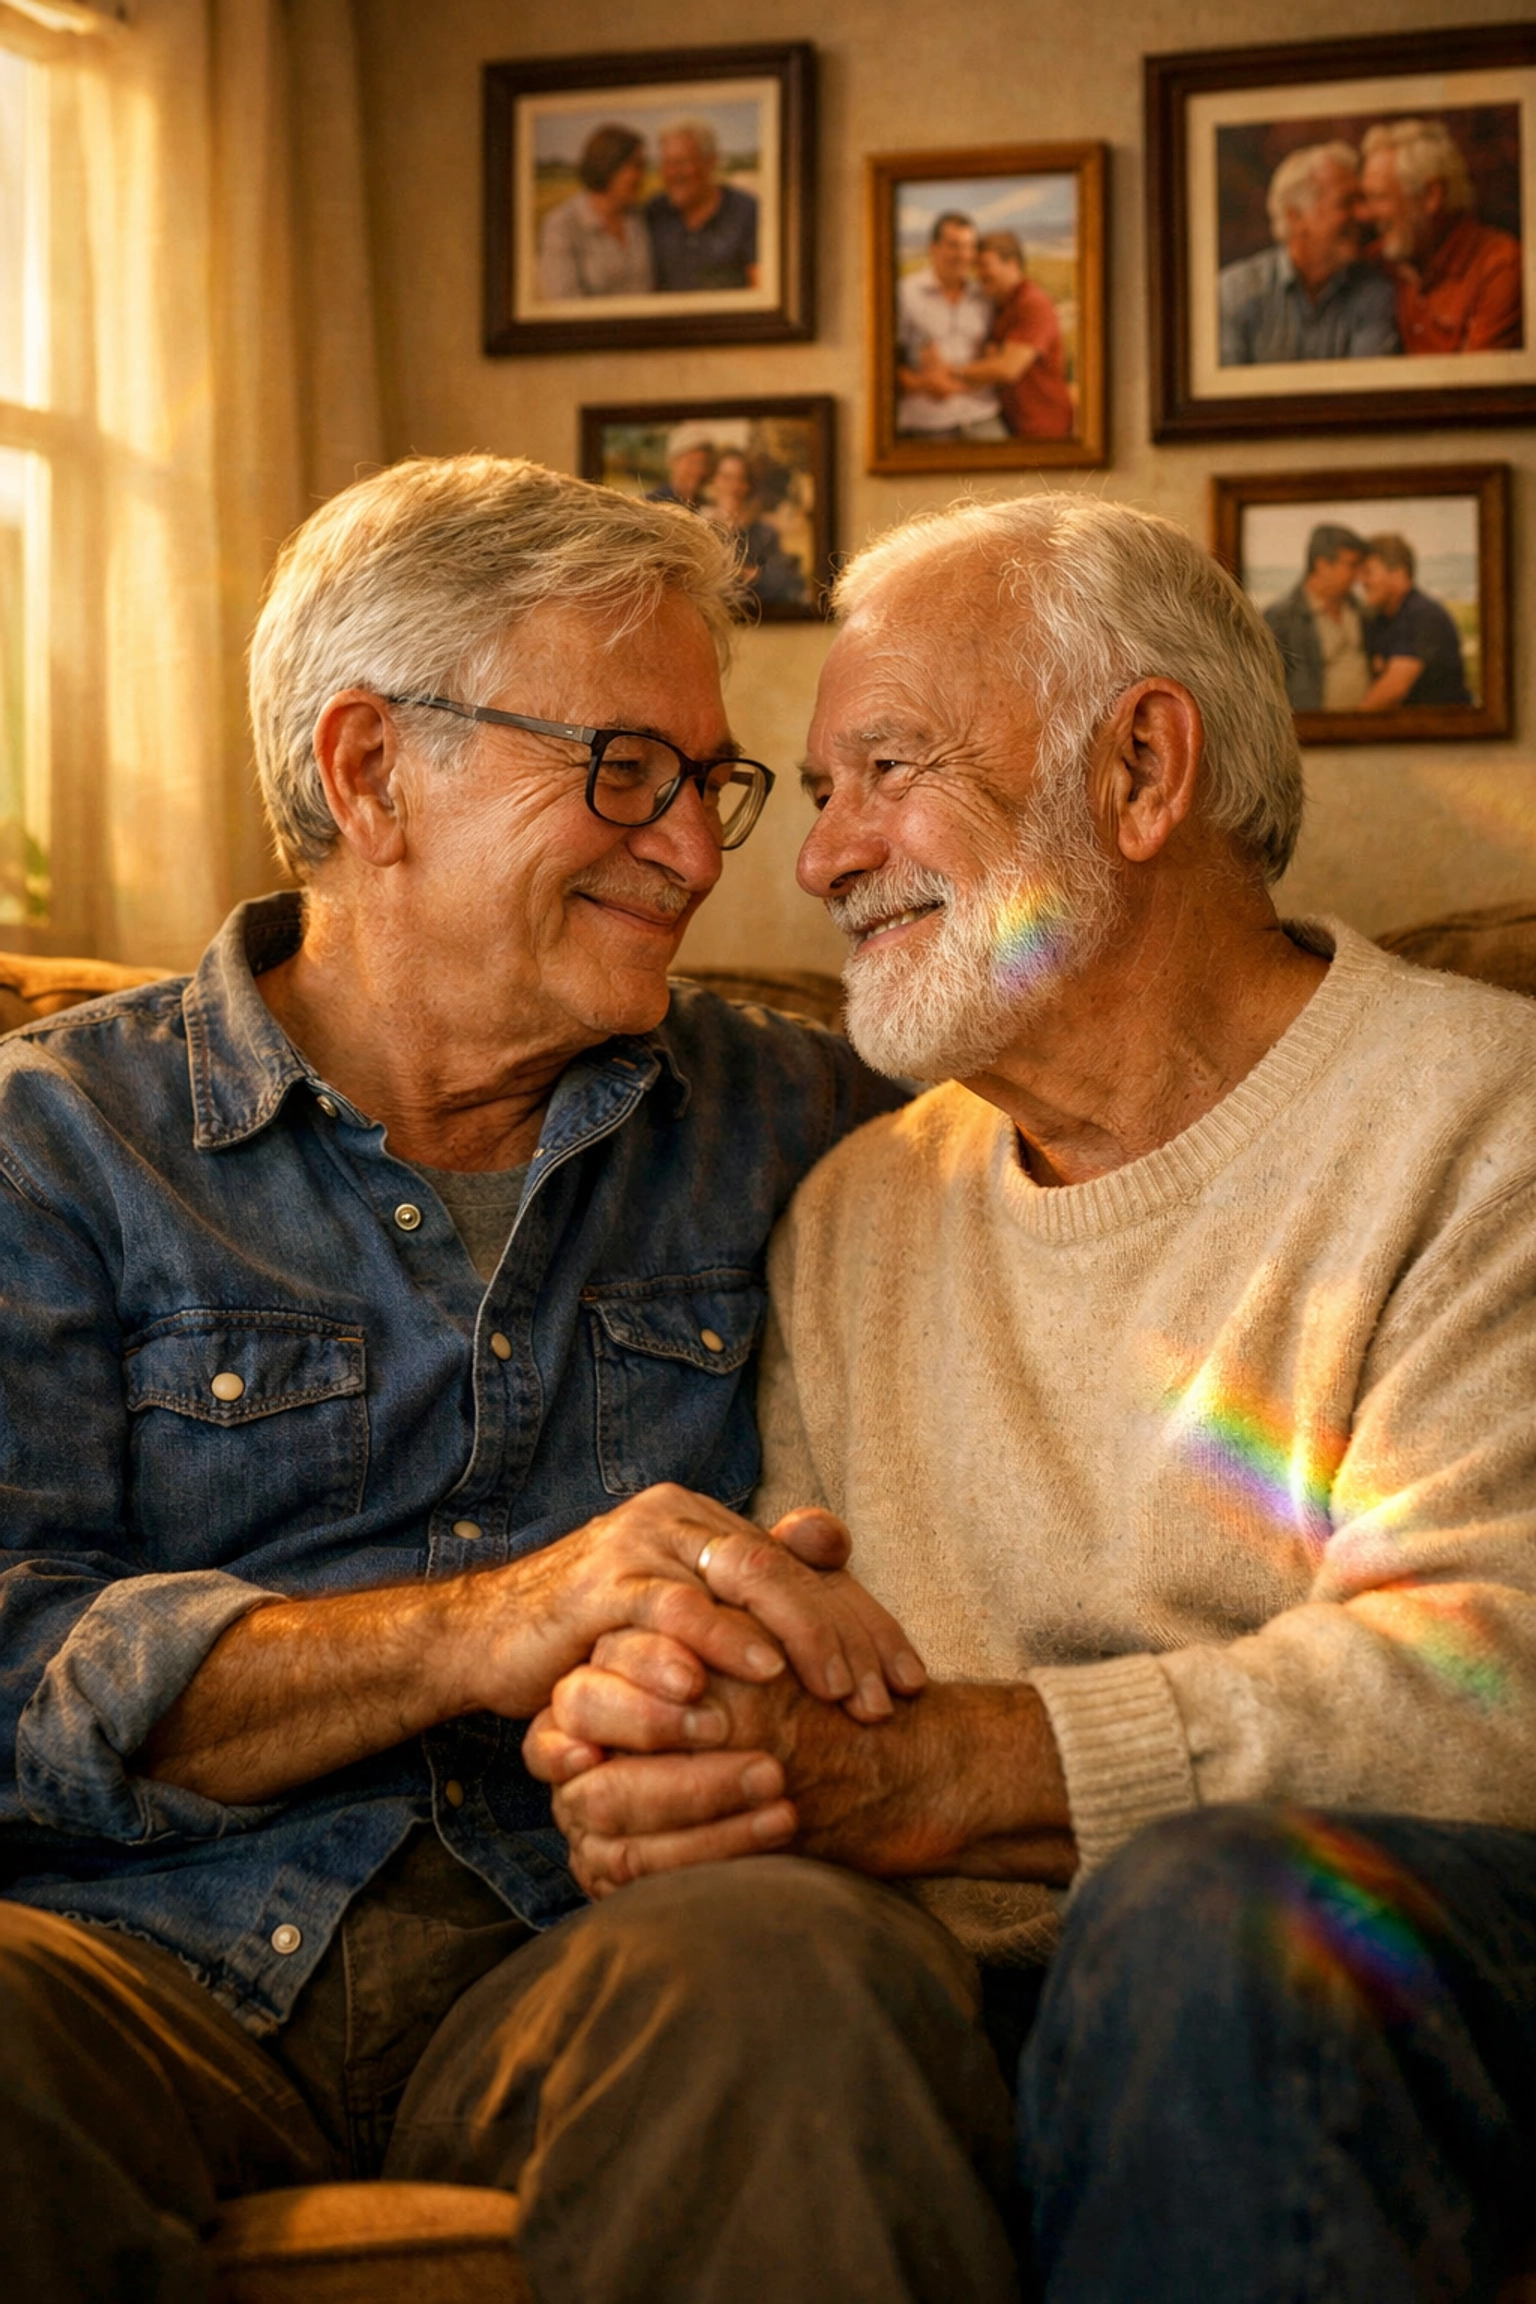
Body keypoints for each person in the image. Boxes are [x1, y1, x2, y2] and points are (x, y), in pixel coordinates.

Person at [535, 492, 1536, 2303]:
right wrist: (679, 1738)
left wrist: (954, 1764)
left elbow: (1495, 1680)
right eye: (820, 789)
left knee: (1210, 1918)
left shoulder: (1486, 1123)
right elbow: (812, 1667)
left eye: (886, 767)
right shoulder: (856, 1210)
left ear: (1144, 768)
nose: (816, 859)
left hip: (1378, 1951)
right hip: (958, 1976)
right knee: (746, 1957)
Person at [0, 453, 922, 2304]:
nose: (693, 852)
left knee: (794, 1974)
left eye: (708, 783)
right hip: (135, 1958)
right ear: (368, 772)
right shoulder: (59, 1144)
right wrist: (486, 1624)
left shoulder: (796, 1112)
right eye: (623, 770)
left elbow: (1113, 1148)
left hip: (589, 1942)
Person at [1218, 140, 1400, 363]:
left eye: (1361, 200)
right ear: (1296, 217)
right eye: (1346, 202)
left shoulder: (1375, 295)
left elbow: (1370, 392)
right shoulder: (1233, 293)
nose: (1364, 215)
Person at [1358, 117, 1522, 354]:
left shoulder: (1500, 267)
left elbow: (1477, 387)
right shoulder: (1377, 263)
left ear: (1431, 196)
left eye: (1379, 198)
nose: (1365, 214)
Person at [946, 229, 1075, 440]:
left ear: (1012, 264)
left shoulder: (1033, 304)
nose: (980, 274)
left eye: (986, 265)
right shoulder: (1000, 304)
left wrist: (950, 371)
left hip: (1043, 429)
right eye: (976, 266)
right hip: (1014, 425)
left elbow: (1007, 368)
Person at [895, 211, 1008, 441]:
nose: (964, 255)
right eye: (954, 246)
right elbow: (886, 362)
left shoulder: (985, 295)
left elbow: (996, 359)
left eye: (969, 247)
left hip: (982, 416)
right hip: (926, 423)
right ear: (934, 248)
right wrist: (921, 384)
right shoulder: (905, 293)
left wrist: (955, 383)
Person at [1262, 520, 1371, 709]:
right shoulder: (1281, 618)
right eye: (1351, 566)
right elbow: (1269, 686)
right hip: (1316, 733)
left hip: (1368, 730)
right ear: (1322, 565)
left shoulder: (1360, 610)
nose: (1357, 576)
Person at [536, 124, 653, 300]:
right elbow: (564, 303)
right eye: (636, 166)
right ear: (609, 166)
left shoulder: (639, 216)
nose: (642, 175)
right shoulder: (561, 225)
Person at [1357, 530, 1472, 708]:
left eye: (1368, 572)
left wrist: (1349, 727)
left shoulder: (1423, 615)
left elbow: (1394, 689)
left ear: (1398, 573)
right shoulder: (1382, 619)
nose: (1362, 581)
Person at [644, 121, 758, 292]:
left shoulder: (746, 211)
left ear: (710, 162)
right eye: (667, 163)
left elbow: (762, 287)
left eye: (681, 162)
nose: (672, 173)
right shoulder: (654, 212)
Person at [700, 447, 806, 608]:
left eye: (740, 479)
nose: (733, 487)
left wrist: (748, 574)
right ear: (714, 481)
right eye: (726, 478)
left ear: (748, 486)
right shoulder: (698, 527)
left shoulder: (764, 533)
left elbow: (784, 583)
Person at [644, 424, 715, 510]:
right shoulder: (652, 505)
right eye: (691, 462)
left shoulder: (707, 507)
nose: (698, 470)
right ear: (672, 462)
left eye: (704, 463)